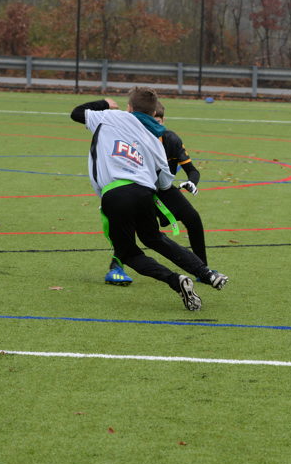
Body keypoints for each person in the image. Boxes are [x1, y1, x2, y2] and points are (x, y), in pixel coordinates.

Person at [70, 86, 228, 311]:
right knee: (154, 238)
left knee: (129, 253)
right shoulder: (155, 140)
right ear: (154, 113)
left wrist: (105, 103)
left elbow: (76, 113)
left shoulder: (111, 117)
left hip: (116, 194)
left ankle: (175, 280)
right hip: (145, 192)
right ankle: (206, 272)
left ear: (129, 107)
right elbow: (164, 183)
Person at [104, 100, 208, 286]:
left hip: (163, 188)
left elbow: (192, 170)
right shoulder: (133, 137)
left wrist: (192, 182)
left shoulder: (171, 139)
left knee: (193, 218)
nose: (153, 125)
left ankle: (203, 269)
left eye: (157, 121)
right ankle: (116, 266)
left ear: (163, 121)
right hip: (140, 188)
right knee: (128, 227)